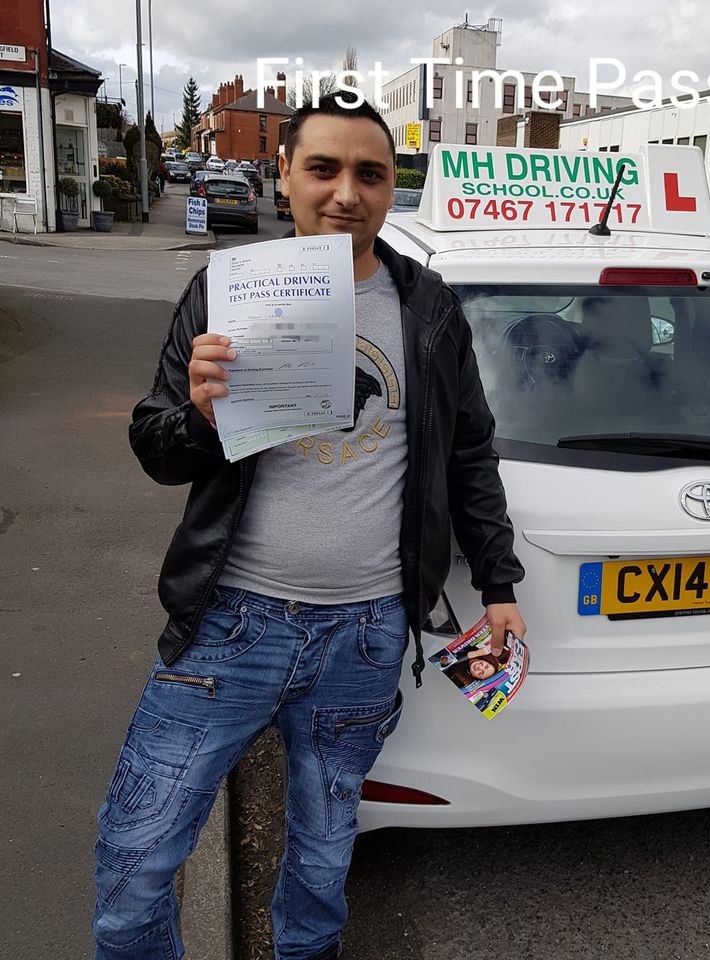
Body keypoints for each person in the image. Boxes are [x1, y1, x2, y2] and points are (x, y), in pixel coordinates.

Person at [91, 94, 526, 960]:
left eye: (371, 174)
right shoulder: (225, 291)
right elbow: (156, 447)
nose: (347, 193)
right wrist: (200, 418)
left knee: (323, 862)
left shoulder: (429, 307)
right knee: (132, 861)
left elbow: (468, 454)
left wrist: (500, 583)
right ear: (283, 174)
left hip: (364, 636)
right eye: (323, 168)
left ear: (391, 187)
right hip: (229, 625)